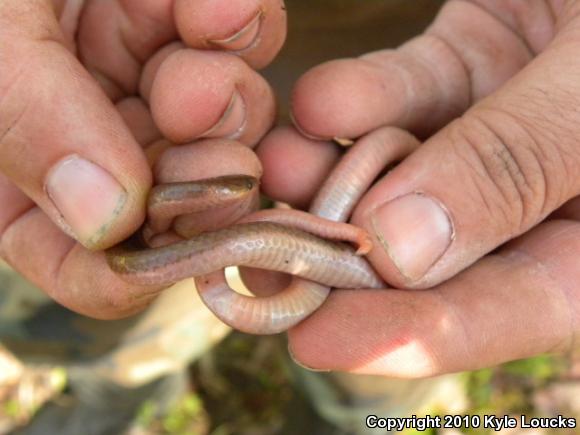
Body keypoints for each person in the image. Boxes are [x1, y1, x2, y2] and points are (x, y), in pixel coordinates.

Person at [1, 0, 579, 433]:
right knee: (107, 290)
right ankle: (111, 389)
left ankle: (368, 416)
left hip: (426, 40)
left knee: (379, 339)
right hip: (184, 66)